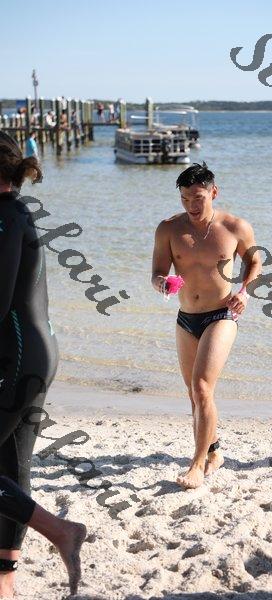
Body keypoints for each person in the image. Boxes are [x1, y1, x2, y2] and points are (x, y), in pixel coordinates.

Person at [0, 131, 86, 597]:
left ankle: (60, 530)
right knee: (13, 468)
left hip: (17, 357)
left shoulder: (5, 216)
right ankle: (5, 581)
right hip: (36, 352)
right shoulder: (18, 212)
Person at [151, 162, 261, 489]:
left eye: (197, 198)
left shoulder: (235, 227)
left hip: (221, 315)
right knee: (194, 394)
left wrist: (244, 292)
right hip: (186, 318)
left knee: (201, 387)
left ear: (214, 192)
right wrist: (162, 283)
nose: (191, 205)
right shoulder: (168, 229)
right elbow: (157, 272)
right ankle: (214, 453)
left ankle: (197, 465)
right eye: (185, 198)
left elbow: (255, 261)